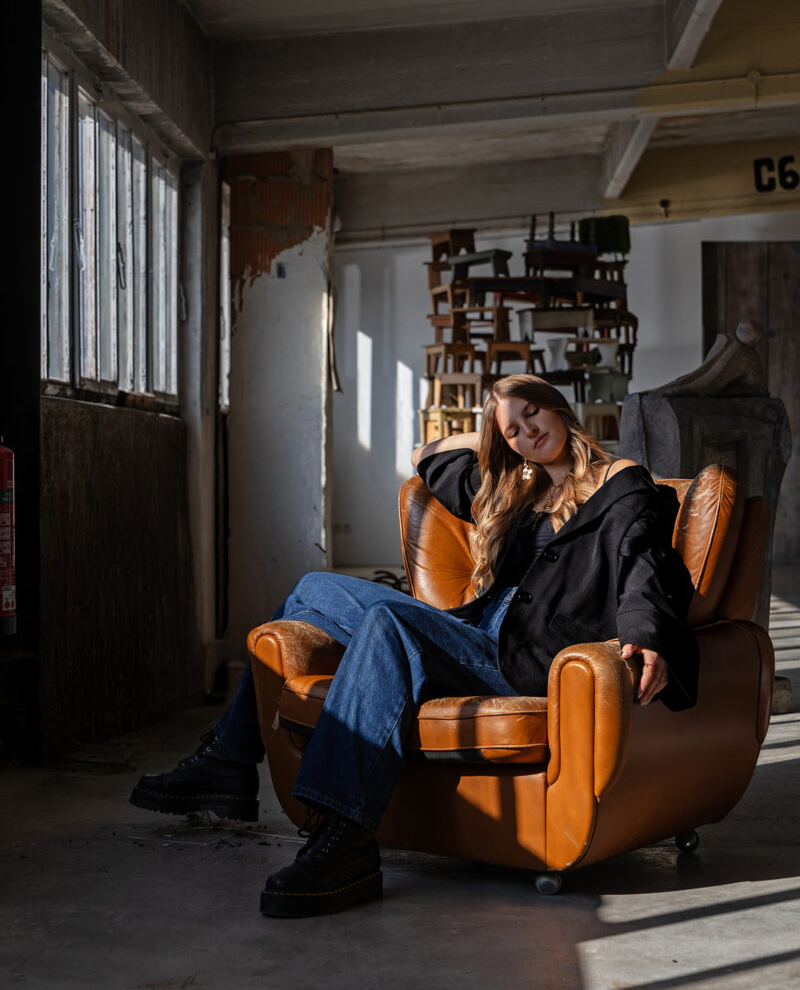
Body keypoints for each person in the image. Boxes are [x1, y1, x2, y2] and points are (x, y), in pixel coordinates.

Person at [130, 374, 699, 918]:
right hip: (476, 632)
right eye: (513, 430)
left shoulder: (619, 482)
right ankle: (228, 760)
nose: (528, 431)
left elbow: (644, 561)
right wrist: (492, 431)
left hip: (524, 657)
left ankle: (343, 835)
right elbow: (426, 455)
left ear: (558, 407)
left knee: (389, 622)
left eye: (533, 413)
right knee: (312, 589)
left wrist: (645, 635)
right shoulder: (519, 489)